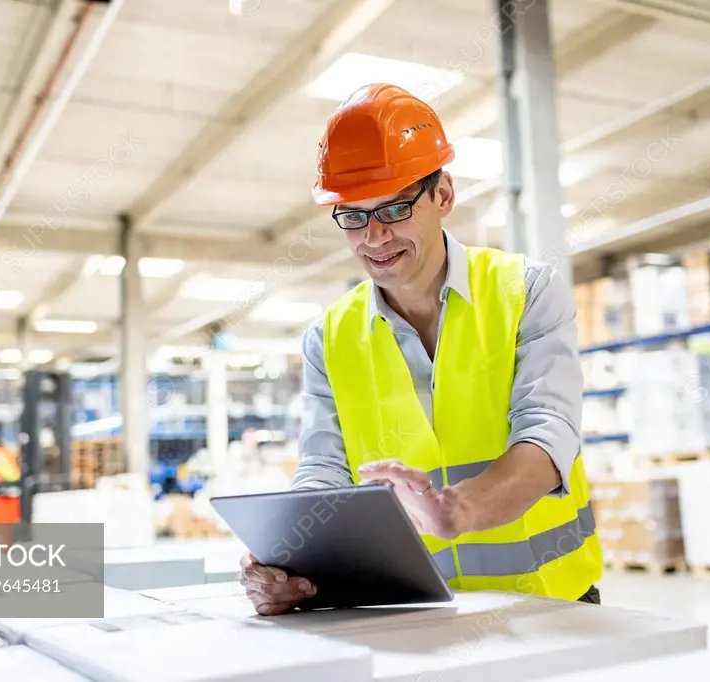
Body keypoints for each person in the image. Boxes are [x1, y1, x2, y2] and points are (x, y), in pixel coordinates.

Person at [239, 83, 602, 615]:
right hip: (416, 615)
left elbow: (549, 436)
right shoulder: (329, 337)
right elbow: (323, 470)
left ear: (443, 195)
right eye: (354, 216)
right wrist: (287, 559)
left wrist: (461, 510)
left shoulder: (526, 292)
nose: (375, 237)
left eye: (395, 208)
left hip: (549, 607)